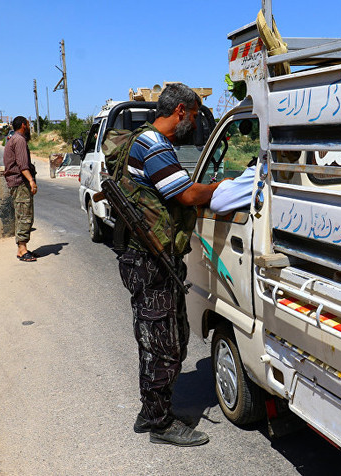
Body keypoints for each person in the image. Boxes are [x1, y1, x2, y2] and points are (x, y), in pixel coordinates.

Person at [118, 83, 221, 447]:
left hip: (148, 257)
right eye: (192, 116)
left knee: (164, 336)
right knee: (163, 341)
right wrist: (221, 187)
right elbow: (188, 194)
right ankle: (159, 423)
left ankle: (152, 411)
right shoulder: (153, 145)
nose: (193, 123)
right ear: (180, 111)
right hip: (150, 260)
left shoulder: (141, 140)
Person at [3, 116, 37, 262]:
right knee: (24, 215)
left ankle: (22, 248)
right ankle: (22, 250)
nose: (29, 127)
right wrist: (31, 181)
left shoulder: (14, 139)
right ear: (24, 125)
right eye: (28, 124)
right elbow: (23, 165)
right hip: (20, 183)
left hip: (15, 183)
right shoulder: (20, 140)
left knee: (21, 214)